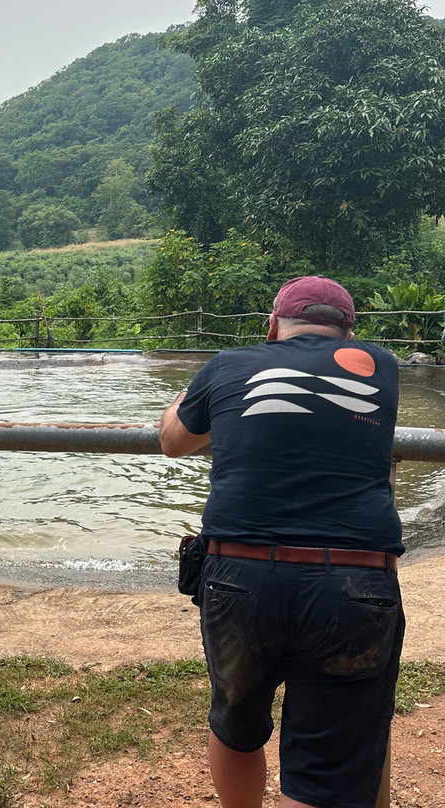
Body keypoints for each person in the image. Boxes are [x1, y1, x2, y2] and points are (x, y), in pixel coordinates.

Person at [159, 276, 404, 808]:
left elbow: (174, 442)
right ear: (350, 331)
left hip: (240, 578)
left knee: (236, 725)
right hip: (356, 582)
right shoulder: (382, 364)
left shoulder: (227, 364)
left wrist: (190, 396)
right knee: (326, 765)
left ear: (272, 326)